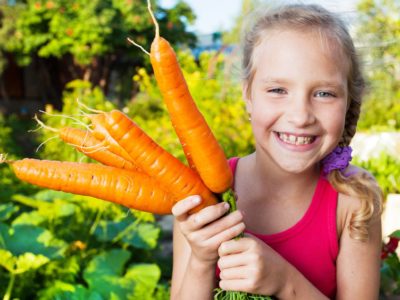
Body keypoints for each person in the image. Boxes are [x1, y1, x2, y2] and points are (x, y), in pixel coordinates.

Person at [170, 3, 383, 299]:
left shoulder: (354, 199)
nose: (300, 116)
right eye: (278, 90)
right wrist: (201, 261)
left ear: (349, 101)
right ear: (248, 96)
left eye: (324, 93)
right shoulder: (202, 196)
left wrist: (285, 283)